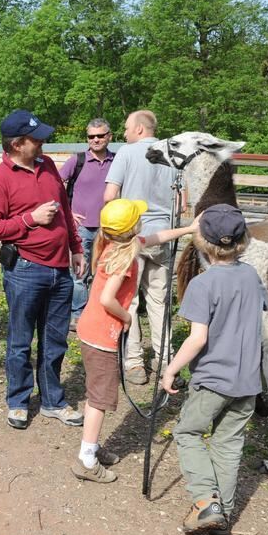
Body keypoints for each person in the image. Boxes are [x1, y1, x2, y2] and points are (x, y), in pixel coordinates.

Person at [71, 199, 197, 483]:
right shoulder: (124, 257)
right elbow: (107, 298)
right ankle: (86, 459)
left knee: (98, 395)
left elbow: (157, 237)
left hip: (93, 330)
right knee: (100, 398)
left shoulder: (119, 244)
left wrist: (188, 228)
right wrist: (126, 318)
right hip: (102, 335)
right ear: (132, 227)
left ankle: (91, 446)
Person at [161, 204, 267, 535]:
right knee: (228, 443)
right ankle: (224, 514)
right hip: (248, 380)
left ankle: (207, 501)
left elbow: (197, 339)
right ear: (243, 240)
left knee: (187, 433)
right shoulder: (251, 275)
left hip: (212, 380)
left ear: (202, 242)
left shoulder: (202, 284)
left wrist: (171, 369)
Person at [0, 110, 84, 430]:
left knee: (55, 342)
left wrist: (76, 248)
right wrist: (30, 219)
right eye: (35, 139)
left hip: (60, 270)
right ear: (16, 144)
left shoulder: (49, 166)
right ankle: (19, 400)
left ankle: (53, 401)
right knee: (21, 341)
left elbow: (65, 210)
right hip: (25, 270)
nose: (42, 143)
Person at [103, 109, 177, 385]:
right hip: (163, 236)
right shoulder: (171, 156)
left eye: (126, 128)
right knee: (159, 300)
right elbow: (182, 199)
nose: (123, 133)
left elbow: (110, 194)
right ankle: (165, 359)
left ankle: (134, 363)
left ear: (140, 130)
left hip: (133, 236)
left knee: (130, 301)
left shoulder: (126, 153)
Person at [58, 118, 113, 330]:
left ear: (109, 136)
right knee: (79, 273)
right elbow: (57, 185)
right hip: (81, 227)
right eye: (92, 136)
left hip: (109, 228)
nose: (96, 139)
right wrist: (68, 213)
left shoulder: (117, 161)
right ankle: (77, 314)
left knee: (105, 271)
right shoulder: (77, 161)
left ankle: (100, 311)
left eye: (100, 135)